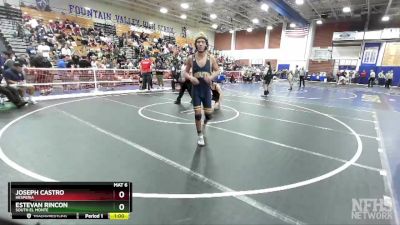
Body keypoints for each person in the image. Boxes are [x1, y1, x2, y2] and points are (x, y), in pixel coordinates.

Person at [184, 33, 219, 146]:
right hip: (196, 90)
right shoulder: (191, 58)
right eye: (198, 42)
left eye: (202, 42)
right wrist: (190, 77)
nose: (200, 44)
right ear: (195, 44)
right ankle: (200, 135)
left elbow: (217, 70)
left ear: (205, 44)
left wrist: (211, 77)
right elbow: (184, 72)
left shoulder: (211, 57)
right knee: (198, 114)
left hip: (206, 90)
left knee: (208, 115)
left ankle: (204, 124)